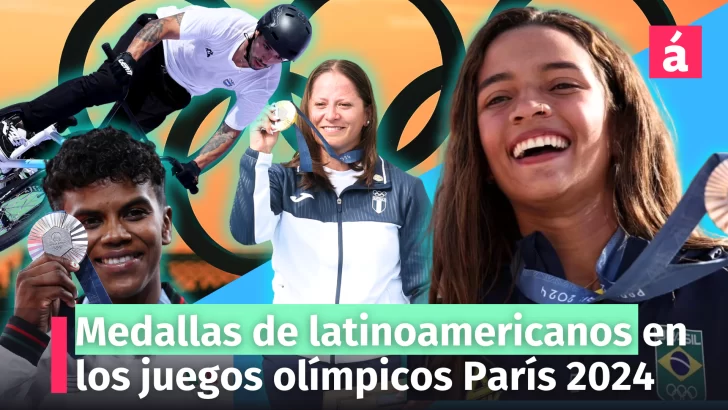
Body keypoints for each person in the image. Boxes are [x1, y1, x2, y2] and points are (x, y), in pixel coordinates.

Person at [416, 6, 728, 401]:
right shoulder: (445, 343)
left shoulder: (718, 287)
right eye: (498, 97)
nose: (529, 107)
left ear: (620, 127)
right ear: (482, 157)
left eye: (562, 85)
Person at [229, 59, 431, 409]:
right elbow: (247, 232)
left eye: (344, 104)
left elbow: (423, 287)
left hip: (372, 368)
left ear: (367, 113)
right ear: (305, 112)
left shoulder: (404, 190)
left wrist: (422, 379)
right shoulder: (281, 180)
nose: (330, 115)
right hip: (291, 366)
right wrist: (257, 153)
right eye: (320, 105)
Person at [0, 128, 234, 408]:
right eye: (89, 221)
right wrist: (21, 337)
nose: (114, 235)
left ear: (165, 225)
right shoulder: (38, 345)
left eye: (134, 213)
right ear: (62, 236)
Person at [0, 3, 312, 193]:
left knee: (106, 149)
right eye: (268, 48)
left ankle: (35, 162)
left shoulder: (265, 80)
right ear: (257, 32)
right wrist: (127, 61)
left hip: (174, 89)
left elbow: (231, 128)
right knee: (107, 84)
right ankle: (18, 123)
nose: (268, 59)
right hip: (153, 49)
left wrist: (196, 166)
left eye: (279, 58)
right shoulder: (229, 24)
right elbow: (162, 26)